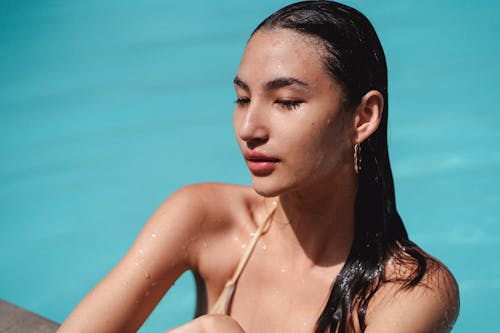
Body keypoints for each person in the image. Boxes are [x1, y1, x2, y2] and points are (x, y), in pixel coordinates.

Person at [57, 1, 459, 332]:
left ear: (362, 117)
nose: (249, 129)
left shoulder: (409, 291)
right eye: (243, 99)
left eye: (286, 101)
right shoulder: (206, 219)